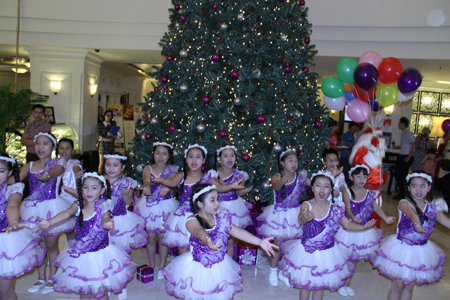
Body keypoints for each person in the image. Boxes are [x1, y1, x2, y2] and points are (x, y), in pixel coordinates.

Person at [162, 183, 279, 300]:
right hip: (199, 269)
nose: (217, 203)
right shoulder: (191, 220)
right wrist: (206, 238)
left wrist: (260, 242)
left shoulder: (221, 218)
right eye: (212, 200)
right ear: (200, 204)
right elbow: (198, 231)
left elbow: (237, 232)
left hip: (220, 266)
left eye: (217, 199)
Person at [34, 173, 137, 300]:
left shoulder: (105, 204)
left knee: (101, 291)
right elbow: (66, 213)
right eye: (85, 187)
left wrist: (106, 222)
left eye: (94, 188)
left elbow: (106, 215)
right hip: (82, 256)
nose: (89, 191)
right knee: (84, 292)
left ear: (102, 191)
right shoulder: (78, 205)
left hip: (101, 256)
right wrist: (50, 222)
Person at [278, 171, 376, 300]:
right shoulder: (306, 205)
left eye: (326, 186)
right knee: (306, 287)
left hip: (327, 254)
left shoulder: (335, 208)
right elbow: (300, 218)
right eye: (318, 185)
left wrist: (362, 227)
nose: (322, 189)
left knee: (320, 286)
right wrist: (304, 218)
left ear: (331, 190)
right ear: (312, 188)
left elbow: (347, 225)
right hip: (307, 254)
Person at [373, 172, 450, 300]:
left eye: (422, 186)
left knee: (409, 287)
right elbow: (412, 214)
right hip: (402, 250)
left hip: (421, 252)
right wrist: (417, 224)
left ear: (429, 188)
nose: (418, 190)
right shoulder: (404, 203)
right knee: (398, 285)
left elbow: (443, 219)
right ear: (409, 188)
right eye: (414, 186)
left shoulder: (434, 207)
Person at [18, 132, 75, 295]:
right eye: (37, 143)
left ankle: (53, 277)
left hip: (52, 208)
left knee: (51, 245)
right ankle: (41, 277)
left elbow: (56, 172)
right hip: (31, 209)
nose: (40, 147)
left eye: (45, 143)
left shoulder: (59, 162)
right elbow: (15, 179)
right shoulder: (29, 165)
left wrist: (47, 176)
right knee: (38, 244)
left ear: (52, 147)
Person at [335, 164, 396, 297]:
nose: (361, 179)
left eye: (364, 176)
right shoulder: (347, 191)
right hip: (348, 230)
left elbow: (376, 207)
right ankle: (340, 282)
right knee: (344, 258)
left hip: (363, 232)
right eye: (358, 176)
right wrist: (353, 218)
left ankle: (347, 283)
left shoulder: (369, 193)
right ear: (351, 177)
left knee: (355, 259)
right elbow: (348, 208)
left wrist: (385, 218)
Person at [256, 148, 308, 287]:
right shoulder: (276, 176)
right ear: (282, 163)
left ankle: (284, 272)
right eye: (290, 160)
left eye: (296, 161)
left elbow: (315, 184)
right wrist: (281, 182)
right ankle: (273, 270)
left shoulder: (300, 177)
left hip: (295, 215)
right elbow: (276, 187)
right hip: (279, 215)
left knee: (292, 245)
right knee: (277, 245)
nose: (294, 163)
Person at [162, 144, 225, 253]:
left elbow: (218, 187)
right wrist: (161, 180)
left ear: (204, 160)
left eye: (198, 157)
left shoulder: (208, 176)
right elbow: (172, 182)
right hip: (183, 218)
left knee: (202, 247)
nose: (194, 160)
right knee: (183, 248)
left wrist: (231, 186)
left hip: (202, 216)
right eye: (190, 156)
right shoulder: (182, 176)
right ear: (186, 159)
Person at [1, 153, 46, 300]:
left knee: (4, 292)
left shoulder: (12, 189)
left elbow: (12, 205)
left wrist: (14, 221)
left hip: (4, 242)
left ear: (8, 173)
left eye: (0, 171)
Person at [135, 142, 182, 280]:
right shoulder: (148, 168)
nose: (160, 156)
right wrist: (147, 187)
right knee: (151, 239)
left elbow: (172, 181)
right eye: (157, 153)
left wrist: (167, 186)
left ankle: (161, 266)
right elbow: (146, 181)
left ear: (169, 156)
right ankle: (152, 264)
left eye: (164, 153)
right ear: (153, 154)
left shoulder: (173, 169)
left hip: (165, 207)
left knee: (162, 239)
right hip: (149, 207)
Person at [103, 154, 147, 299]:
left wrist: (124, 194)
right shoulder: (100, 181)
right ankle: (109, 282)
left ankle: (122, 285)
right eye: (108, 164)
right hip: (102, 222)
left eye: (115, 165)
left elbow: (129, 201)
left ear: (122, 168)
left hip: (121, 222)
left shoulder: (127, 182)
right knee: (105, 254)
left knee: (121, 255)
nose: (111, 168)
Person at [213, 145, 253, 258]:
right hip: (219, 206)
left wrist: (243, 192)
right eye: (225, 156)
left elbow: (239, 192)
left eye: (232, 155)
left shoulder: (239, 175)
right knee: (218, 238)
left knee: (230, 239)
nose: (229, 158)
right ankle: (217, 261)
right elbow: (214, 189)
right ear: (219, 159)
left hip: (234, 207)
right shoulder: (215, 173)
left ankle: (229, 262)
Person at [57, 138, 83, 241]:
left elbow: (77, 168)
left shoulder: (73, 163)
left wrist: (78, 174)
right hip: (58, 199)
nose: (64, 151)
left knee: (70, 228)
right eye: (61, 148)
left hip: (70, 199)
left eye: (67, 148)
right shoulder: (55, 163)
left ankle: (72, 248)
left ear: (72, 151)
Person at [393, 117, 416, 200]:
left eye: (399, 123)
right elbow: (406, 145)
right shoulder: (403, 134)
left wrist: (409, 156)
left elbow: (413, 146)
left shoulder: (409, 134)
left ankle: (403, 194)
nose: (398, 125)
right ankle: (402, 193)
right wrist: (397, 147)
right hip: (403, 156)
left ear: (403, 124)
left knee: (401, 176)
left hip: (406, 157)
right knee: (398, 175)